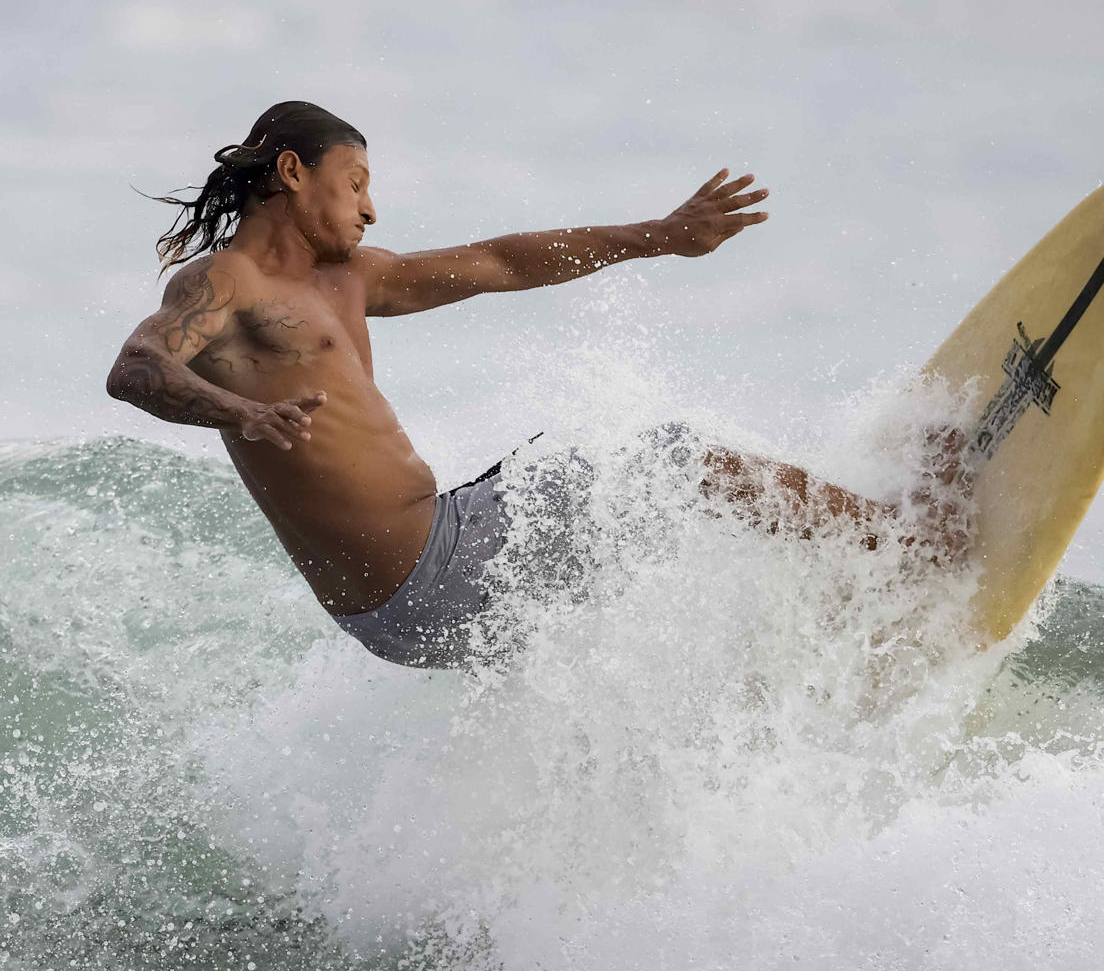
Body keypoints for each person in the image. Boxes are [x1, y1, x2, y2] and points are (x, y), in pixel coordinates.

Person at [107, 101, 962, 668]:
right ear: (293, 173)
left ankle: (849, 627)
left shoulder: (353, 279)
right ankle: (909, 540)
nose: (371, 209)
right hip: (423, 574)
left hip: (415, 584)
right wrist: (240, 413)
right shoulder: (228, 285)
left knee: (626, 516)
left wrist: (657, 236)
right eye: (356, 183)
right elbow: (137, 367)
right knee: (661, 464)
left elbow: (500, 262)